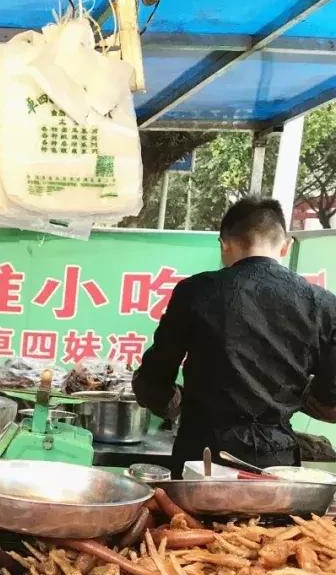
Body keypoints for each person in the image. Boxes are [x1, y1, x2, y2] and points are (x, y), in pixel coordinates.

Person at [133, 197, 336, 476]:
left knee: (188, 522)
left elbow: (152, 380)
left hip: (202, 457)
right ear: (286, 246)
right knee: (273, 522)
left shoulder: (196, 291)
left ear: (224, 244)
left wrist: (174, 405)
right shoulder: (322, 303)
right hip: (277, 464)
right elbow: (330, 398)